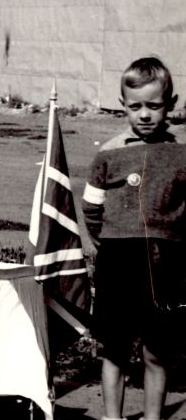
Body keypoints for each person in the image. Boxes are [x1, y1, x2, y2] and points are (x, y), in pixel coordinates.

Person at [82, 56, 186, 420]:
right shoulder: (109, 153)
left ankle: (153, 417)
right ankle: (113, 417)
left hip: (166, 264)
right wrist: (109, 242)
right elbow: (92, 207)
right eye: (135, 106)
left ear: (171, 105)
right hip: (118, 262)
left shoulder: (182, 153)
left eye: (154, 106)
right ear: (122, 104)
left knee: (158, 349)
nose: (144, 115)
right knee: (115, 348)